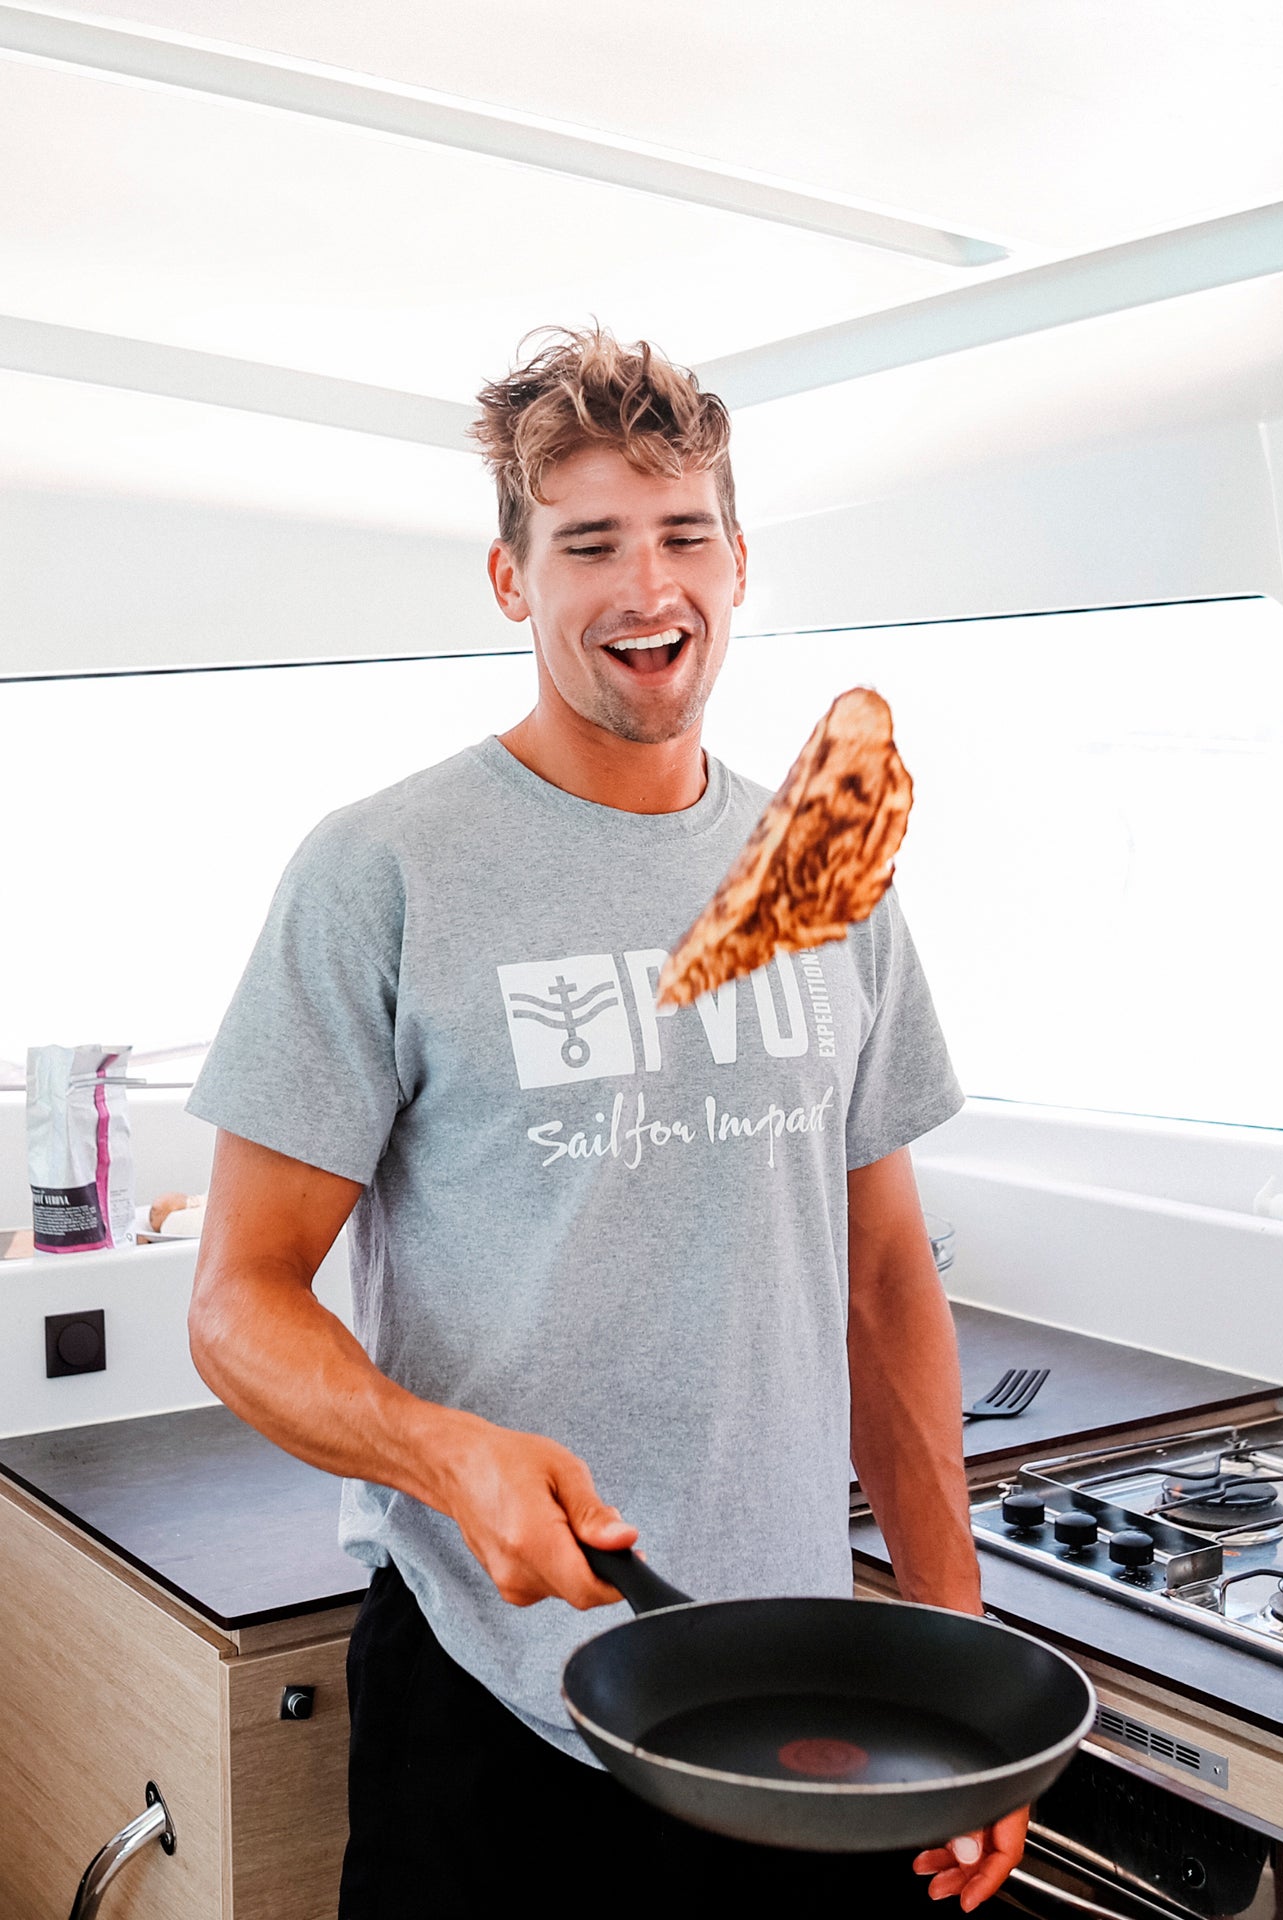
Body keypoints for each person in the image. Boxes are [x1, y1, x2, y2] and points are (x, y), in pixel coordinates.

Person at [186, 327, 1026, 1915]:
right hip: (500, 1705)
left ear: (739, 560)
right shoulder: (384, 871)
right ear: (512, 579)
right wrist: (446, 1458)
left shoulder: (828, 865)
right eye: (590, 544)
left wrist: (955, 1648)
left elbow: (886, 1276)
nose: (650, 588)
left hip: (801, 1697)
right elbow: (238, 1305)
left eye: (683, 534)